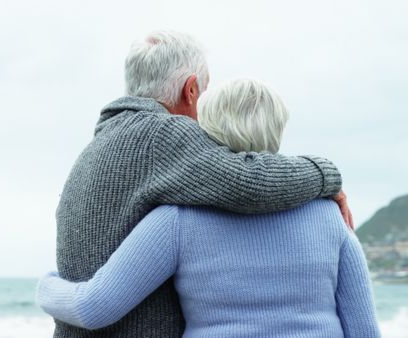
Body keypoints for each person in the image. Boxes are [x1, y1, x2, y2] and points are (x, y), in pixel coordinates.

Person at [53, 31, 351, 338]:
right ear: (191, 90)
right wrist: (326, 175)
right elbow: (250, 181)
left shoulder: (93, 150)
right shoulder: (165, 135)